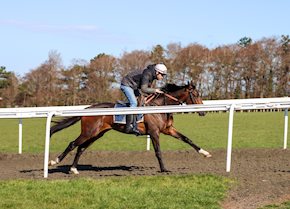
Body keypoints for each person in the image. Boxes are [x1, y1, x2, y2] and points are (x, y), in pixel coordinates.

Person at [120, 63, 168, 135]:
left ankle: (135, 126)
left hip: (134, 86)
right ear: (157, 72)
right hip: (126, 84)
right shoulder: (148, 74)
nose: (162, 77)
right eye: (162, 75)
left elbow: (145, 89)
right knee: (134, 103)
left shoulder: (152, 75)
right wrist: (155, 90)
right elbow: (144, 89)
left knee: (140, 103)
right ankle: (128, 127)